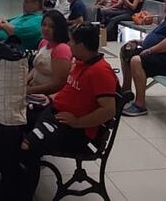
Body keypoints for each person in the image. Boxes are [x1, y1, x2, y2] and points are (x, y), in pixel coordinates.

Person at [19, 23, 117, 200]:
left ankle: (23, 194)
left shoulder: (100, 72)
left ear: (81, 45)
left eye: (72, 42)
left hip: (74, 131)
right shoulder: (81, 62)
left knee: (27, 147)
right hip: (56, 115)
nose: (69, 45)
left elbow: (109, 110)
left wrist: (78, 122)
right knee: (16, 122)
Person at [27, 10, 73, 95]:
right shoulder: (43, 42)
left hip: (49, 95)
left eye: (51, 26)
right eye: (44, 25)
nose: (46, 29)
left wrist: (31, 90)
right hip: (34, 89)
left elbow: (58, 84)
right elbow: (36, 68)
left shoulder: (62, 49)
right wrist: (25, 82)